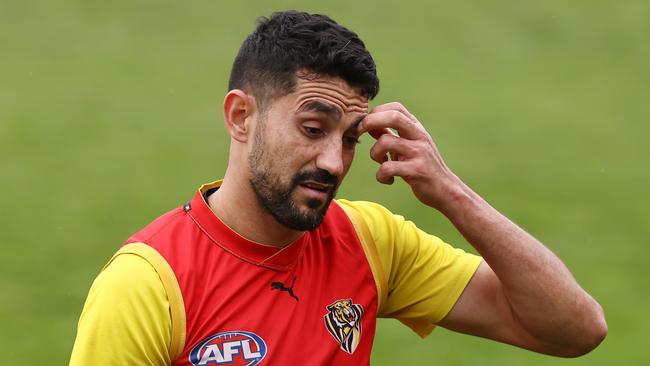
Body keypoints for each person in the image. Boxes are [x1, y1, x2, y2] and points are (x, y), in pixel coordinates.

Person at [70, 10, 607, 365]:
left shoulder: (369, 241)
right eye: (312, 129)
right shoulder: (147, 285)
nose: (333, 161)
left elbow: (573, 329)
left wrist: (449, 192)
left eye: (350, 137)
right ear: (240, 117)